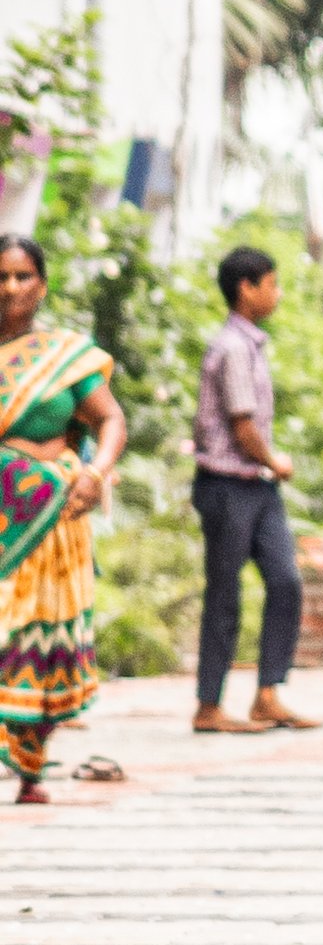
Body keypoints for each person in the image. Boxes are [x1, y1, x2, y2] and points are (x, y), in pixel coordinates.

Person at [0, 234, 126, 805]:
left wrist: (95, 473)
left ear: (42, 284)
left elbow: (111, 420)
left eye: (23, 276)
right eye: (2, 276)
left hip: (55, 519)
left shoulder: (65, 354)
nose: (11, 288)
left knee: (38, 638)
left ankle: (30, 769)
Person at [191, 244, 318, 736]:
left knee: (285, 581)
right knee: (225, 594)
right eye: (273, 283)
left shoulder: (253, 345)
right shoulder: (232, 348)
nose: (278, 293)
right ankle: (208, 705)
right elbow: (242, 425)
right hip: (227, 485)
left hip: (258, 489)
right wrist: (275, 461)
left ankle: (268, 693)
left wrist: (267, 469)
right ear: (247, 288)